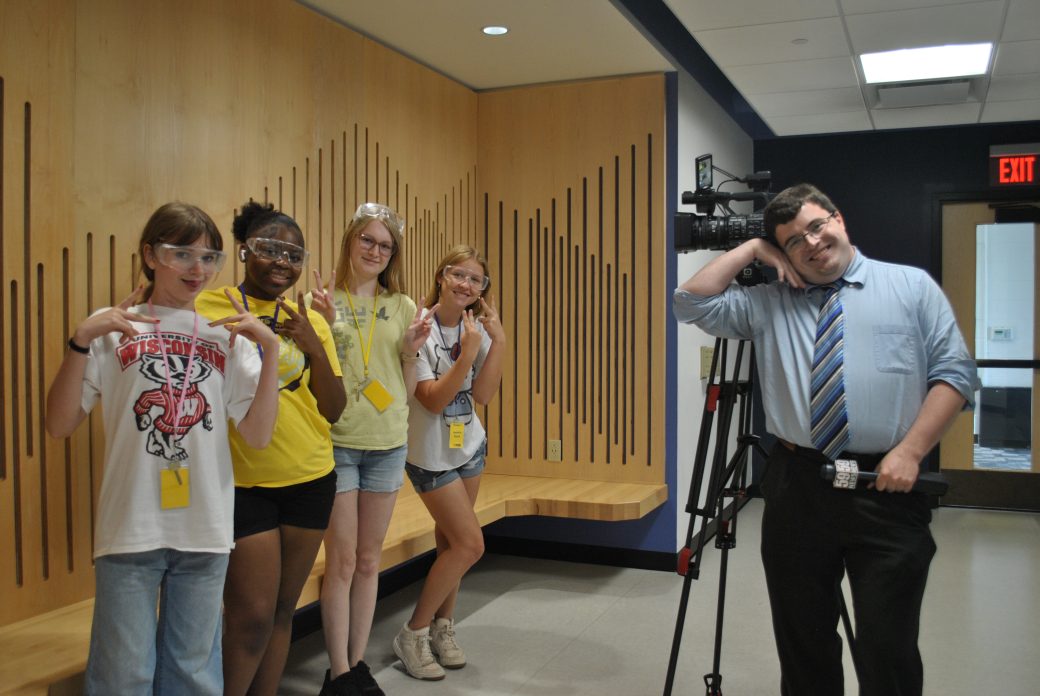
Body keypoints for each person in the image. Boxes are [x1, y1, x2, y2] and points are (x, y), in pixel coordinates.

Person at [673, 183, 980, 696]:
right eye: (793, 240)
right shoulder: (768, 303)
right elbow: (688, 304)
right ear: (782, 251)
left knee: (888, 646)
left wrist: (910, 451)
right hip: (798, 486)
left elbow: (955, 374)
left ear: (839, 220)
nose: (811, 243)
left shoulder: (910, 286)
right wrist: (752, 248)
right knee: (804, 642)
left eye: (817, 227)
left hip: (886, 485)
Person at [45, 202, 281, 695]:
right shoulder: (112, 326)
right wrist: (80, 340)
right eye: (183, 254)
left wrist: (271, 353)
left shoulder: (226, 335)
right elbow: (59, 423)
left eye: (210, 258)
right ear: (150, 255)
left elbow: (257, 436)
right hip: (131, 526)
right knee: (121, 677)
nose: (198, 270)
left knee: (194, 675)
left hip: (206, 527)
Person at [195, 201, 347, 696]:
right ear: (243, 251)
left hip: (311, 478)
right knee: (251, 615)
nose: (282, 261)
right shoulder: (209, 309)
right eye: (269, 248)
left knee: (284, 609)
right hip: (243, 483)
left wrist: (314, 341)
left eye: (294, 253)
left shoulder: (309, 319)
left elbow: (333, 409)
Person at [308, 203, 434, 696]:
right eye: (368, 241)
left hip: (386, 444)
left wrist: (409, 350)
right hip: (337, 444)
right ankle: (337, 672)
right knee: (339, 563)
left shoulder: (403, 306)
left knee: (367, 560)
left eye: (385, 245)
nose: (376, 251)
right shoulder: (323, 300)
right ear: (350, 241)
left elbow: (404, 388)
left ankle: (356, 667)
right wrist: (321, 325)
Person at [391, 245, 506, 681]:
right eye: (459, 275)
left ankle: (443, 627)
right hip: (429, 457)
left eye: (477, 280)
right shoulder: (418, 326)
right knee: (470, 546)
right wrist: (466, 355)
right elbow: (434, 400)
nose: (466, 285)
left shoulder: (478, 328)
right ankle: (413, 632)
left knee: (451, 545)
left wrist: (500, 339)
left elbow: (484, 396)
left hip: (469, 448)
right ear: (441, 276)